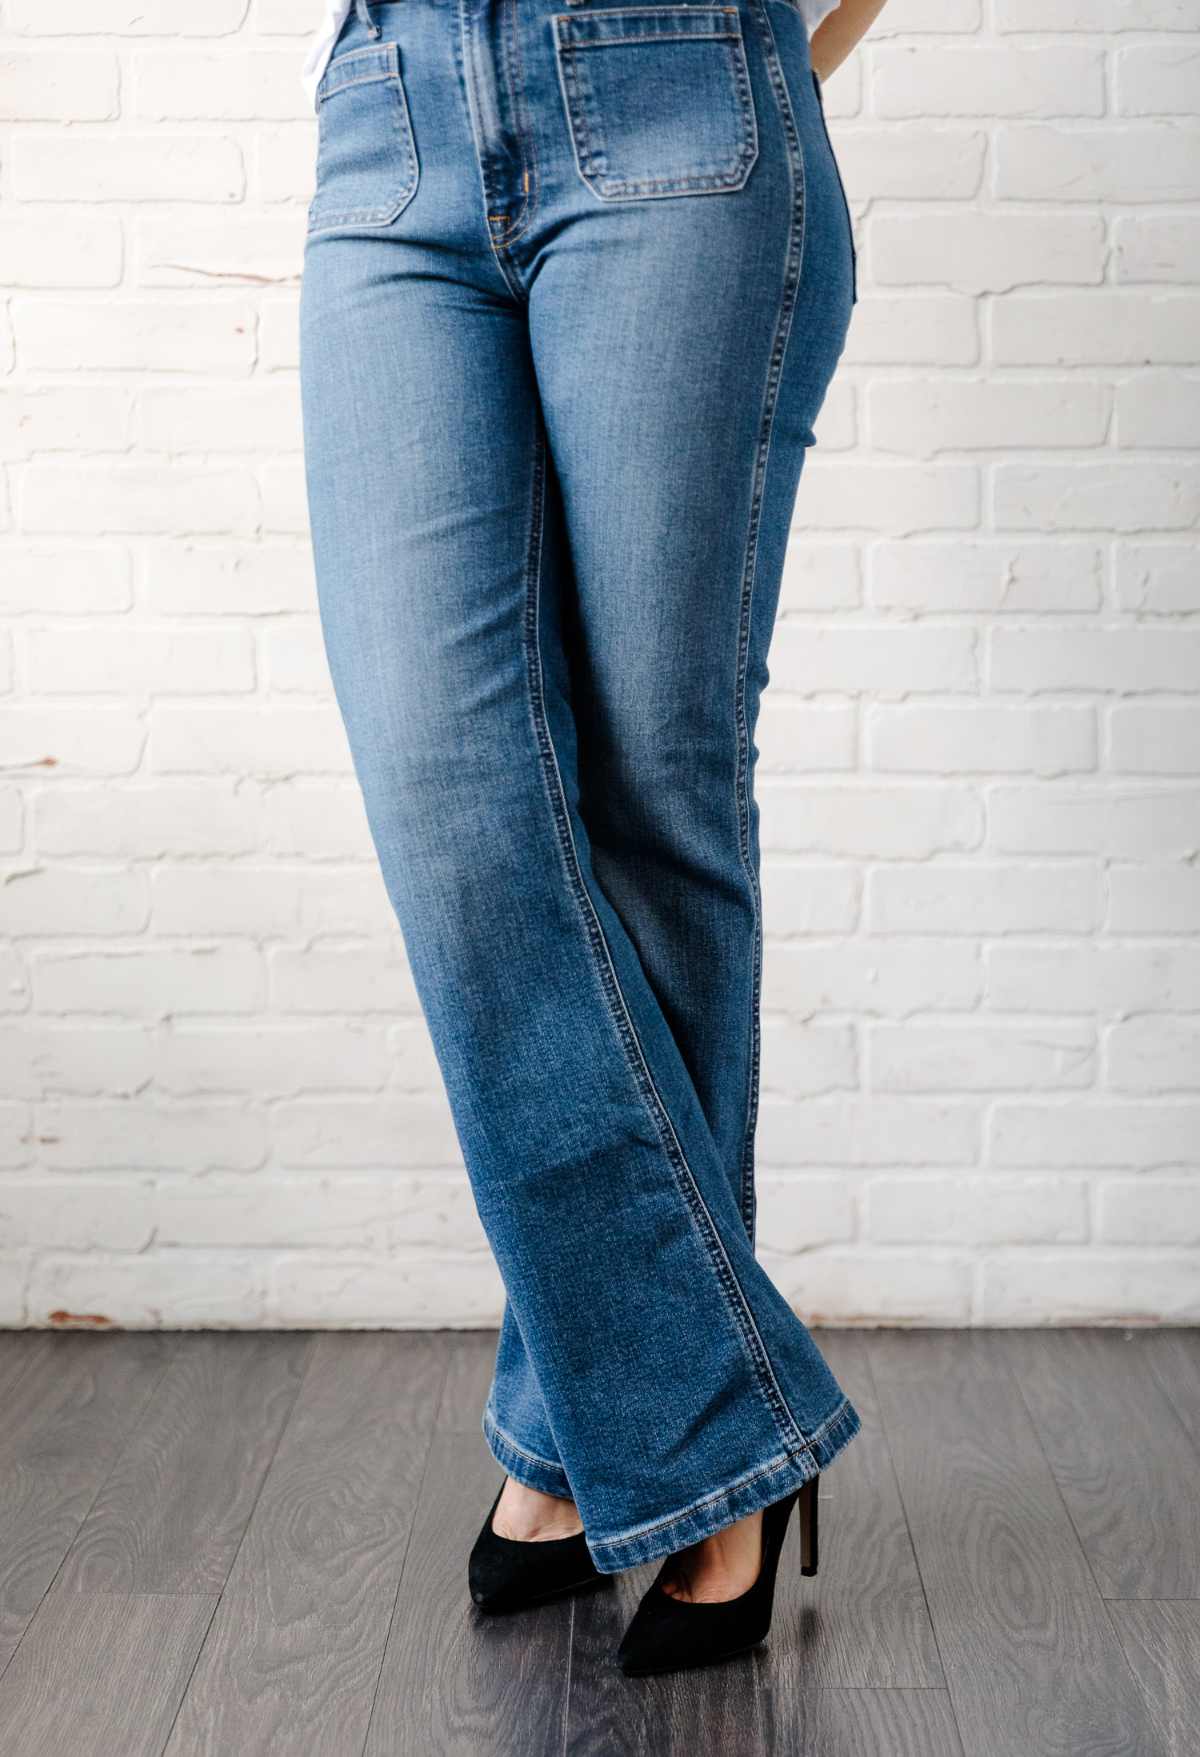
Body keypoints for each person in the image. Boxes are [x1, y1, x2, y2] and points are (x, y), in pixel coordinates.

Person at [299, 0, 887, 1678]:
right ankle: (704, 1428)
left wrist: (740, 57)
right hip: (388, 114)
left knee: (650, 799)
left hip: (673, 96)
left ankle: (590, 1439)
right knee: (451, 786)